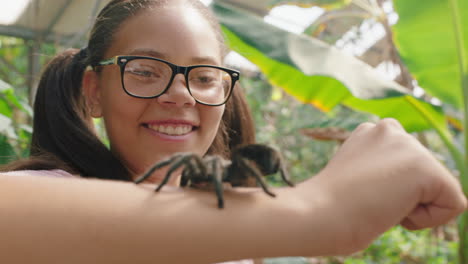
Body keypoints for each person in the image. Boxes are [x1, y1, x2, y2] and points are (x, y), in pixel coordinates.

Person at [0, 0, 466, 263]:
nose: (180, 94)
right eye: (144, 70)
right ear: (94, 90)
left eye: (204, 77)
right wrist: (313, 208)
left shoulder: (239, 241)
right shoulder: (43, 198)